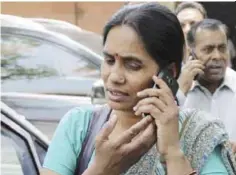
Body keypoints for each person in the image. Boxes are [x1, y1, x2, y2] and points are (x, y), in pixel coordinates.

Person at [41, 3, 236, 175]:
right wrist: (102, 169)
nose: (115, 76)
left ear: (168, 73)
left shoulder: (199, 133)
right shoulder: (79, 126)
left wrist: (172, 152)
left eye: (132, 65)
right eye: (109, 60)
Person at [177, 18, 236, 153]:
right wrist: (180, 92)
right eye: (208, 49)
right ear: (191, 53)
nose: (217, 56)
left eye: (222, 48)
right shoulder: (179, 90)